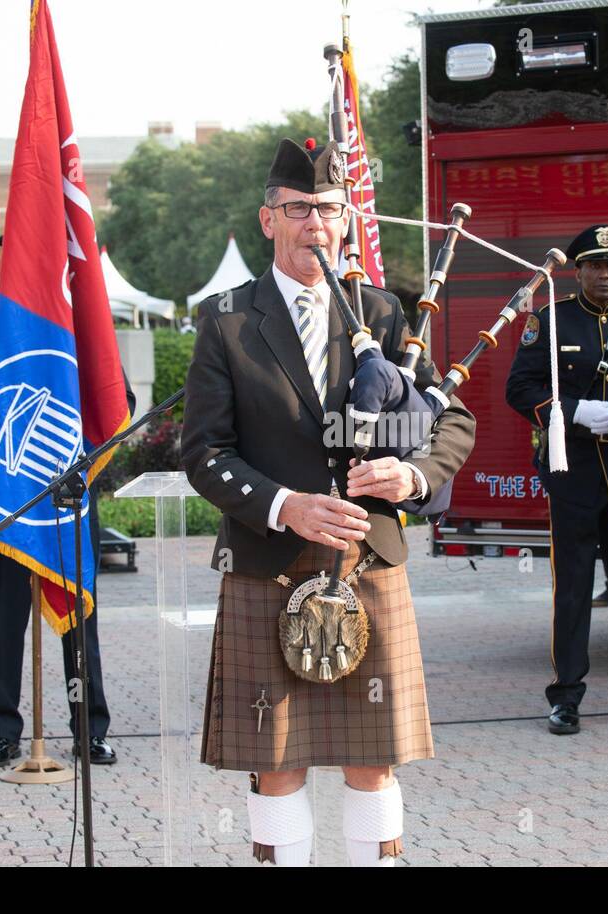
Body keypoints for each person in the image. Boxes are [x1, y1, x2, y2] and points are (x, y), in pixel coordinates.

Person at [181, 137, 475, 866]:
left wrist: (411, 478)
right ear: (268, 219)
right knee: (277, 760)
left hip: (367, 560)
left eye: (329, 209)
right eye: (300, 209)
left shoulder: (380, 310)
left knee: (371, 760)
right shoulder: (226, 321)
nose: (317, 224)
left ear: (345, 220)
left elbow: (450, 417)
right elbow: (204, 452)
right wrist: (286, 504)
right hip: (269, 562)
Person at [0, 304, 135, 767]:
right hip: (10, 501)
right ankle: (3, 732)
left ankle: (90, 729)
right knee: (6, 625)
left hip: (69, 498)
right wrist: (15, 439)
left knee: (79, 622)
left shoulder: (83, 330)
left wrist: (71, 447)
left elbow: (118, 403)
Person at [506, 225, 608, 735]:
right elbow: (519, 387)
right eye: (595, 265)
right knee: (572, 591)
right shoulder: (551, 320)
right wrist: (574, 411)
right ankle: (566, 697)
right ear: (579, 271)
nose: (605, 274)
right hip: (572, 473)